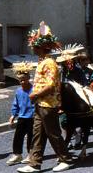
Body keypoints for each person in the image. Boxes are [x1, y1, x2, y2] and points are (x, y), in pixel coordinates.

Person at [17, 22, 70, 173]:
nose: (32, 48)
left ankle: (65, 159)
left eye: (34, 46)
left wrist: (35, 94)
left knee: (53, 133)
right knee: (37, 134)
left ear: (41, 47)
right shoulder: (42, 62)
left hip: (48, 104)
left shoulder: (49, 63)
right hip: (40, 103)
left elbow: (50, 85)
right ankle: (35, 164)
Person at [6, 62, 35, 166]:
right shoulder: (18, 91)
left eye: (24, 80)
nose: (22, 82)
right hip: (22, 116)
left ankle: (30, 154)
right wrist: (13, 114)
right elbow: (16, 104)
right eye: (20, 80)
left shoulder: (34, 90)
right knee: (18, 136)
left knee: (31, 137)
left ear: (28, 79)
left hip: (32, 117)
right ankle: (17, 154)